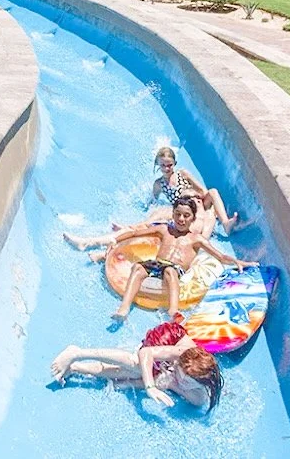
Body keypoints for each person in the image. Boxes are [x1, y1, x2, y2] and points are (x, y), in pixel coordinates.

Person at [63, 197, 256, 321]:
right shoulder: (164, 229)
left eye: (186, 216)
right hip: (155, 264)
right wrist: (113, 241)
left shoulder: (196, 239)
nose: (181, 219)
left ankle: (172, 311)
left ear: (192, 218)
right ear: (173, 214)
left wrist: (239, 262)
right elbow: (135, 232)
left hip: (175, 269)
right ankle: (123, 308)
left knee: (170, 272)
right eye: (178, 214)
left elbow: (220, 256)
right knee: (138, 269)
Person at [49, 321, 223, 411]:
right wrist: (149, 387)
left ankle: (76, 368)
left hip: (177, 364)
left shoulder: (199, 397)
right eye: (180, 375)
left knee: (126, 374)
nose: (181, 381)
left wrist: (127, 384)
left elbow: (163, 382)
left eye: (186, 382)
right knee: (137, 365)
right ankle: (77, 352)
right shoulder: (180, 353)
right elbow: (146, 353)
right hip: (169, 337)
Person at [150, 147, 237, 235]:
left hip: (199, 202)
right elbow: (153, 201)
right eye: (163, 165)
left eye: (169, 165)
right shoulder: (158, 184)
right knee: (204, 219)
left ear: (175, 163)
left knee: (213, 192)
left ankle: (225, 223)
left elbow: (203, 191)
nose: (166, 169)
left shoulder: (183, 174)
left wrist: (192, 193)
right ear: (158, 164)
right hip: (186, 210)